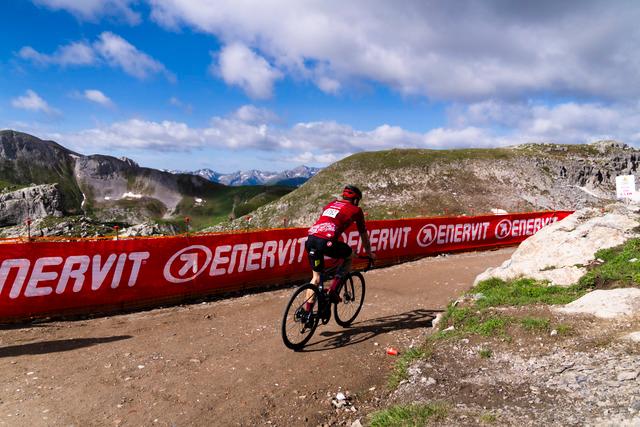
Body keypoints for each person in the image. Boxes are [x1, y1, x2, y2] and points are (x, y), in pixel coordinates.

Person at [305, 185, 375, 301]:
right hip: (326, 242)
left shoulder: (331, 204)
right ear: (356, 200)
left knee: (316, 279)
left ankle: (307, 310)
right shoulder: (356, 210)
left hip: (311, 239)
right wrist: (369, 252)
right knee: (349, 256)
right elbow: (363, 234)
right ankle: (333, 291)